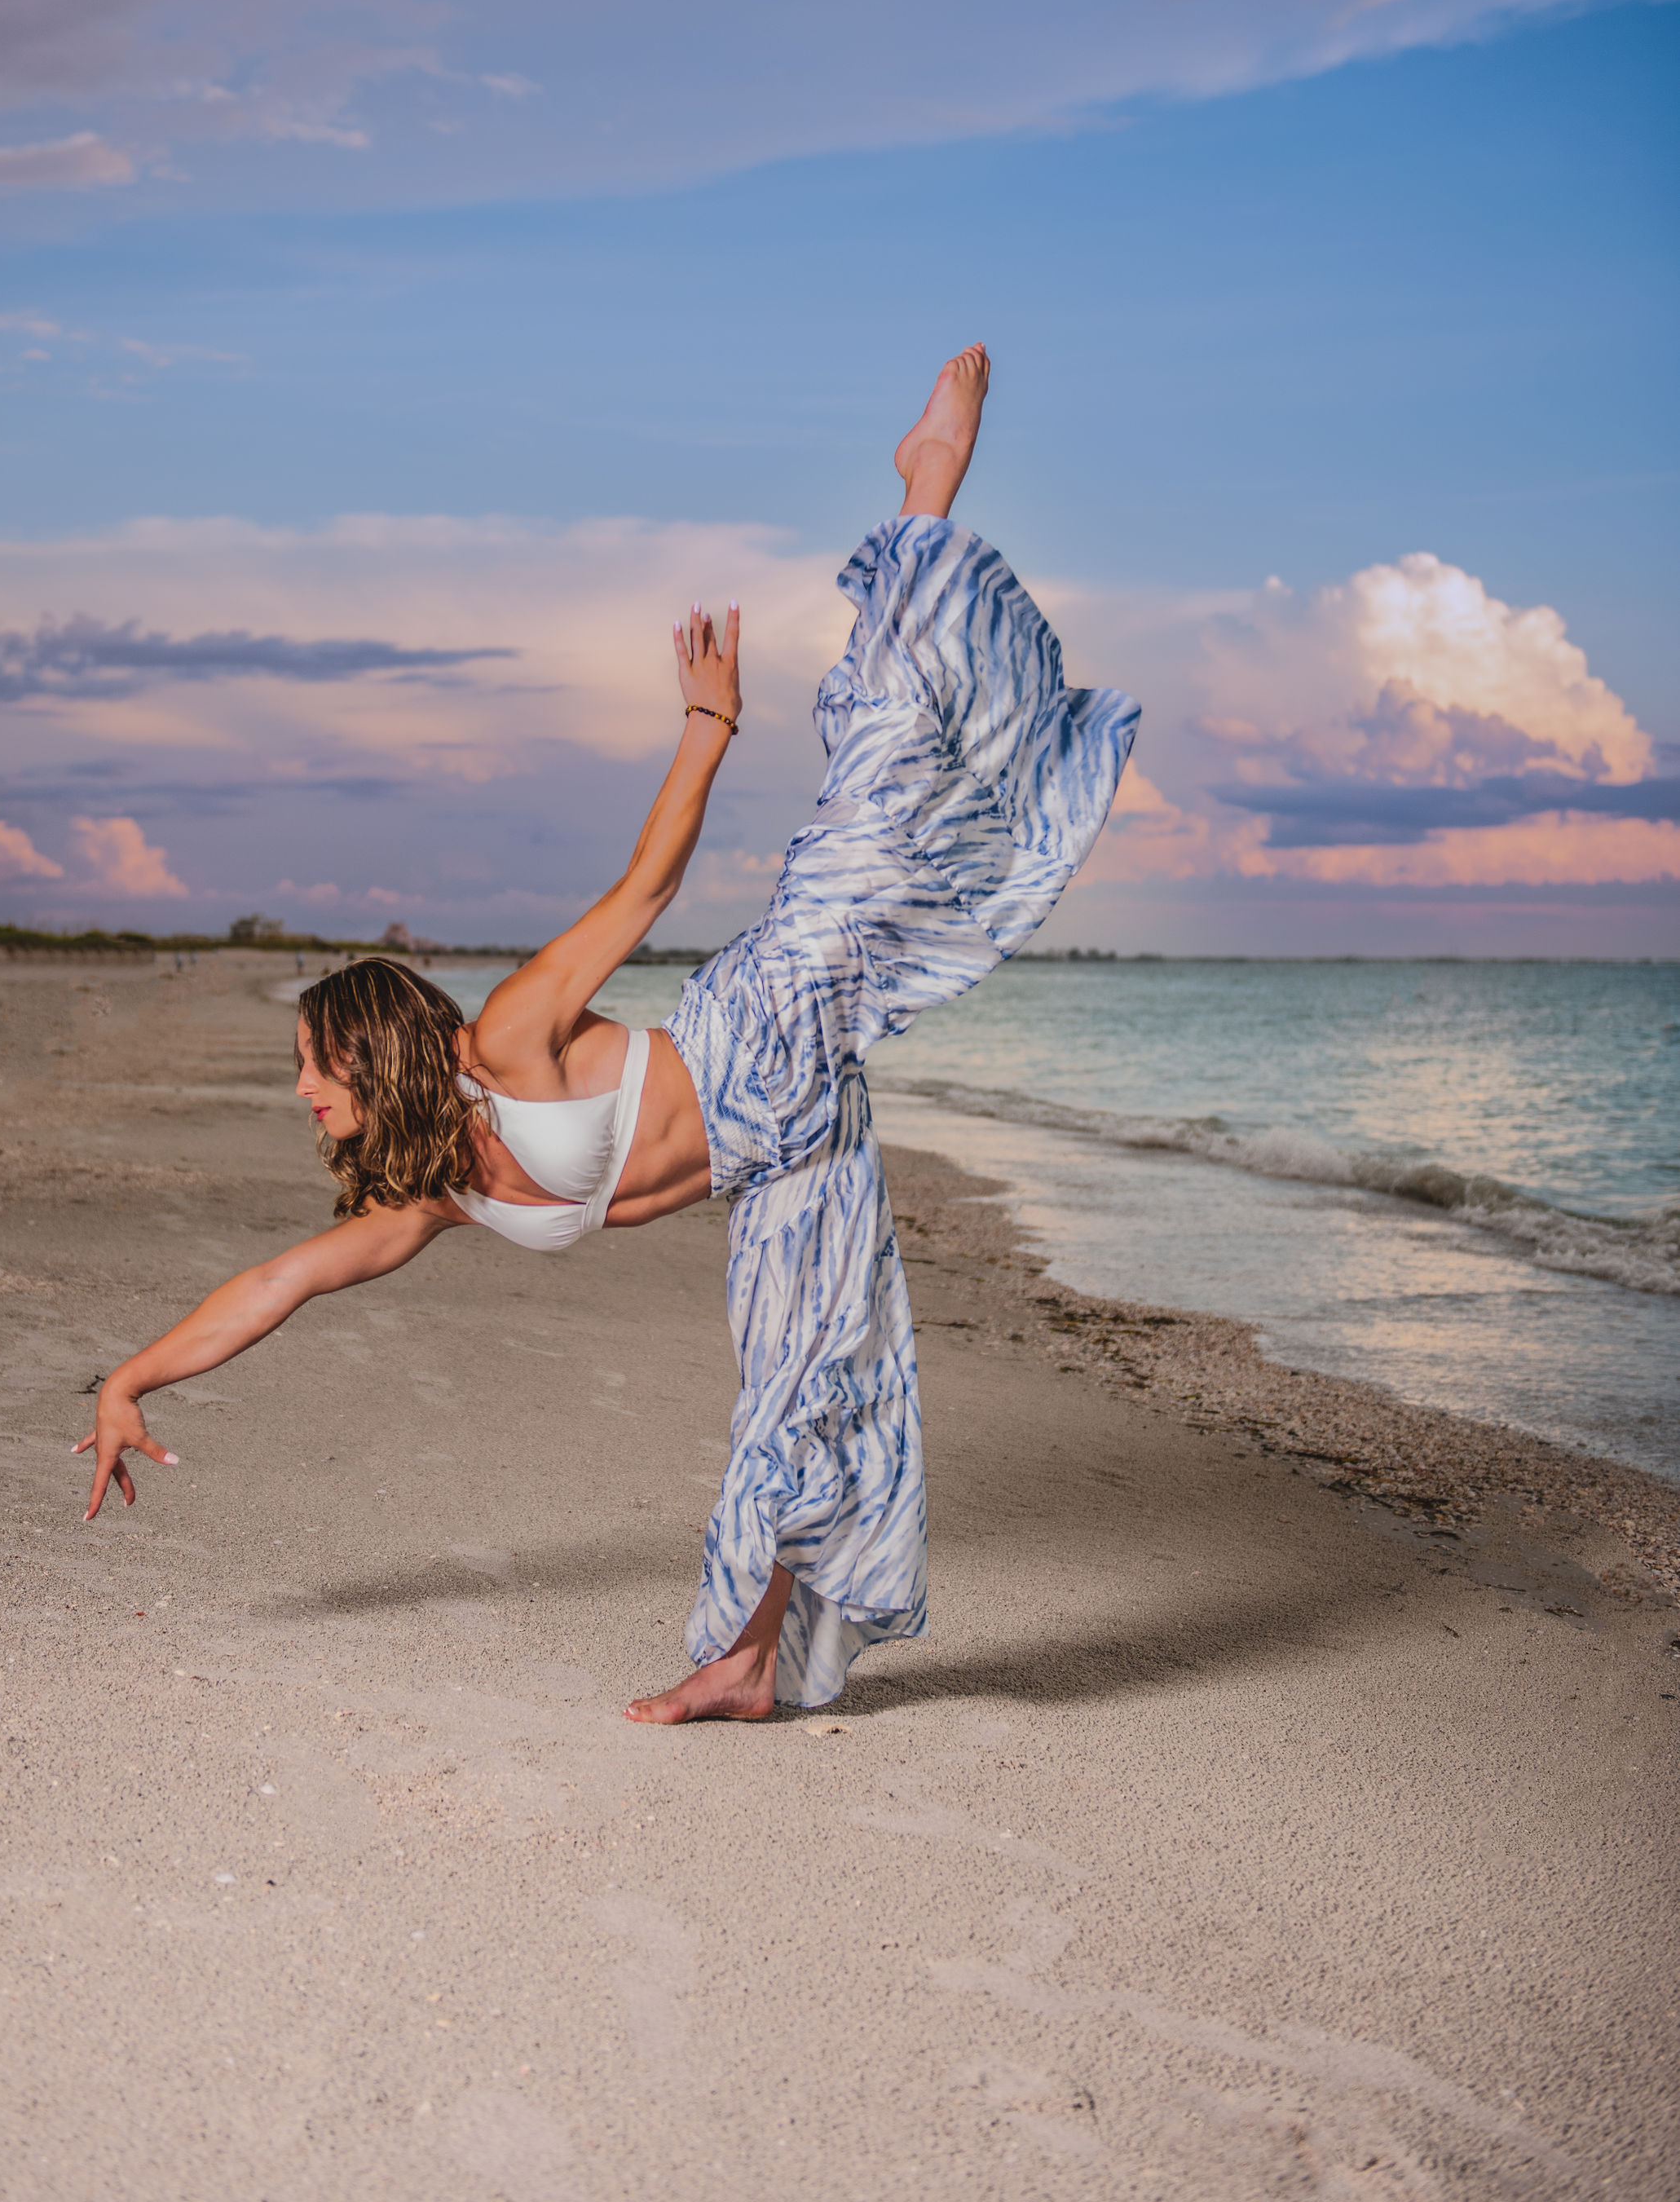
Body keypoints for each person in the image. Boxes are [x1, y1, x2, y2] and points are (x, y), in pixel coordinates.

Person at [77, 348, 1138, 1720]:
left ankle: (927, 485)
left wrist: (707, 722)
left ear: (373, 1053)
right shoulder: (432, 1198)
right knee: (805, 1391)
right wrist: (128, 1376)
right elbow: (278, 1284)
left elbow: (644, 891)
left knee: (884, 804)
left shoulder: (509, 1038)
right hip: (791, 1160)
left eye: (311, 1068)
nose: (301, 1097)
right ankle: (750, 1669)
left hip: (766, 1020)